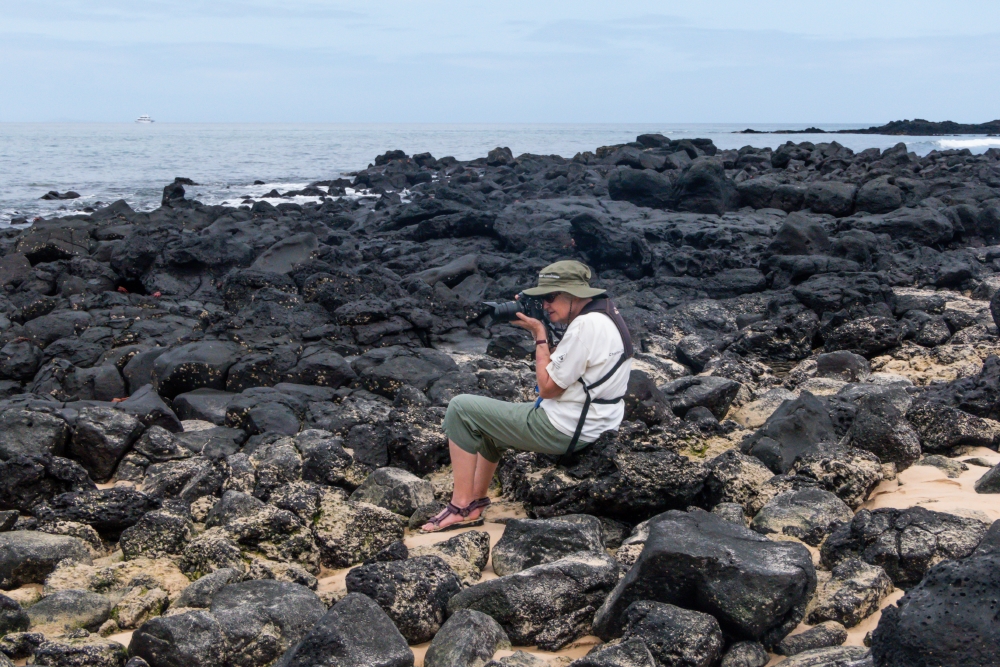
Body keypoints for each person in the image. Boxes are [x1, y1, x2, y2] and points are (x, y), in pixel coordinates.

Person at [422, 260, 633, 532]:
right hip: (599, 422)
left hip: (568, 428)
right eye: (542, 298)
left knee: (461, 408)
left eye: (550, 297)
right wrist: (544, 328)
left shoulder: (585, 326)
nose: (545, 304)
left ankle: (459, 505)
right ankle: (476, 501)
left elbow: (547, 388)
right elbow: (573, 366)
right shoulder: (605, 313)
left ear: (572, 293)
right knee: (488, 426)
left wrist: (540, 335)